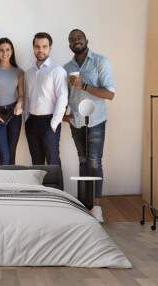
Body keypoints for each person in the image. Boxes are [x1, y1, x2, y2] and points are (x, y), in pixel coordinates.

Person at [63, 29, 116, 222]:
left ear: (86, 40)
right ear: (69, 45)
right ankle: (84, 205)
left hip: (96, 121)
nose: (76, 41)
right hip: (76, 121)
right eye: (72, 39)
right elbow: (64, 97)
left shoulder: (101, 62)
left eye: (79, 38)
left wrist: (84, 85)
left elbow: (110, 94)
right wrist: (62, 116)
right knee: (83, 160)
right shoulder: (66, 67)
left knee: (95, 161)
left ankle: (97, 207)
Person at [24, 32, 68, 165]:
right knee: (36, 163)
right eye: (37, 46)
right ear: (33, 47)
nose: (40, 50)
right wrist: (26, 119)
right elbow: (27, 97)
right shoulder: (29, 73)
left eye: (44, 46)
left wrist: (54, 123)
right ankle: (39, 187)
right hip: (32, 122)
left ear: (50, 48)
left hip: (49, 122)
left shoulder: (57, 70)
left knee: (53, 162)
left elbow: (62, 97)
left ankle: (57, 187)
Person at [0, 38, 24, 165]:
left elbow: (22, 95)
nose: (4, 53)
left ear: (12, 51)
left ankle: (11, 185)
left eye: (7, 50)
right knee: (3, 155)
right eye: (1, 50)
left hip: (14, 114)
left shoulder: (19, 72)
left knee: (11, 155)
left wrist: (19, 104)